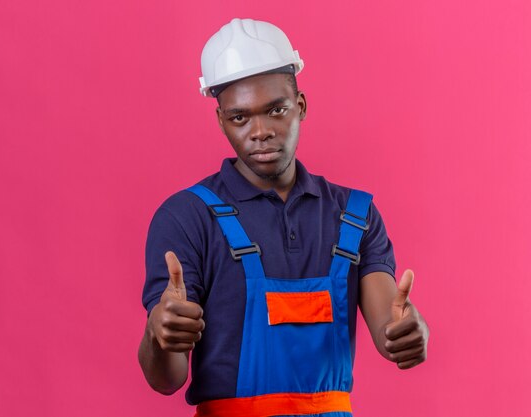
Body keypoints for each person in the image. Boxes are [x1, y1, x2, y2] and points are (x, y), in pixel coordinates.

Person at [138, 18, 429, 417]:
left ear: (302, 106)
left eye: (277, 110)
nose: (261, 131)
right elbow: (166, 379)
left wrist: (408, 332)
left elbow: (388, 328)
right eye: (240, 117)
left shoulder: (354, 215)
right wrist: (160, 333)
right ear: (221, 120)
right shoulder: (186, 217)